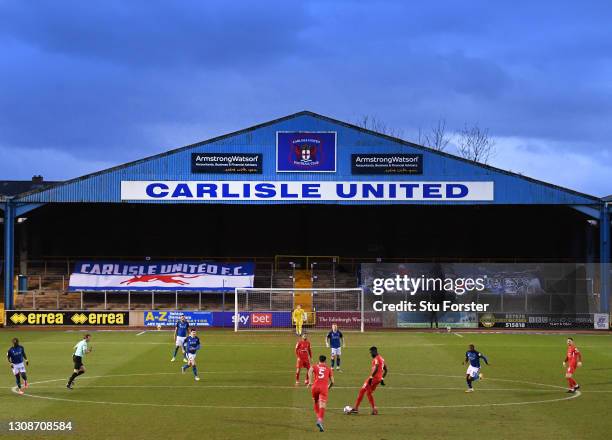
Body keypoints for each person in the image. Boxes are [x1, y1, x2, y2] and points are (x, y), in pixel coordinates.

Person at [349, 346, 387, 415]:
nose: (371, 354)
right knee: (368, 393)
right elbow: (386, 370)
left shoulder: (376, 359)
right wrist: (382, 378)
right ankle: (374, 409)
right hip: (378, 379)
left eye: (371, 352)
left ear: (374, 351)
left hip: (373, 378)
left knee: (362, 390)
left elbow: (377, 367)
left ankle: (356, 408)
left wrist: (371, 377)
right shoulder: (382, 358)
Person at [308, 355, 334, 432]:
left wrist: (310, 382)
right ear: (325, 361)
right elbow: (332, 381)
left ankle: (318, 416)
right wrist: (329, 387)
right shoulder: (329, 369)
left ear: (319, 360)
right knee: (322, 405)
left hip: (314, 387)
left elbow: (310, 370)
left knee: (316, 402)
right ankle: (319, 420)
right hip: (323, 388)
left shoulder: (315, 366)